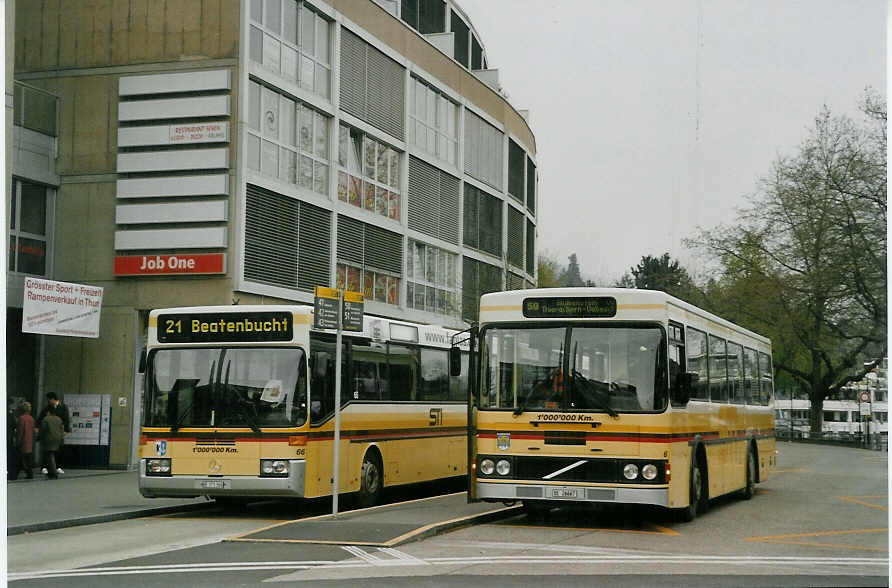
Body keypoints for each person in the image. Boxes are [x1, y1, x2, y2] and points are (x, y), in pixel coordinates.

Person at [36, 392, 70, 474]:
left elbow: (66, 419)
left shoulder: (63, 407)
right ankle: (44, 467)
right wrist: (37, 427)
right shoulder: (47, 408)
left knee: (58, 449)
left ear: (53, 399)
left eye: (49, 400)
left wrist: (66, 430)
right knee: (46, 450)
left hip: (58, 432)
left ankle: (58, 466)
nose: (48, 401)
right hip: (49, 431)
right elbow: (40, 418)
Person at [38, 407, 64, 480]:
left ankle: (53, 473)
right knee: (51, 455)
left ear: (48, 412)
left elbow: (42, 430)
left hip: (48, 439)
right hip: (57, 440)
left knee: (49, 455)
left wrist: (38, 437)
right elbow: (62, 430)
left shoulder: (46, 419)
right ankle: (51, 472)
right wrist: (61, 439)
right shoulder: (59, 419)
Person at [16, 402, 35, 479]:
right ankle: (30, 474)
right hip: (30, 441)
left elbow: (20, 431)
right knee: (28, 459)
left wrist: (17, 441)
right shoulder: (31, 418)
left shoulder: (21, 418)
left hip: (23, 441)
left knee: (20, 458)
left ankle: (14, 474)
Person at [7, 398, 18, 481]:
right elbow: (14, 424)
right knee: (10, 456)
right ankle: (11, 475)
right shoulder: (10, 413)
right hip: (8, 436)